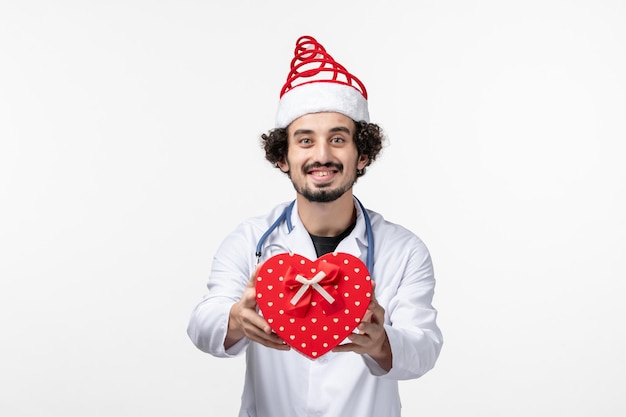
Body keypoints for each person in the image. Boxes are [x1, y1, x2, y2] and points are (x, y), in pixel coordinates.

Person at [187, 35, 443, 417]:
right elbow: (202, 325)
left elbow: (424, 346)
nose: (322, 155)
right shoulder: (250, 240)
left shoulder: (403, 250)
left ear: (363, 155)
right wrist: (236, 319)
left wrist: (380, 342)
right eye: (305, 141)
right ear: (282, 158)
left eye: (338, 139)